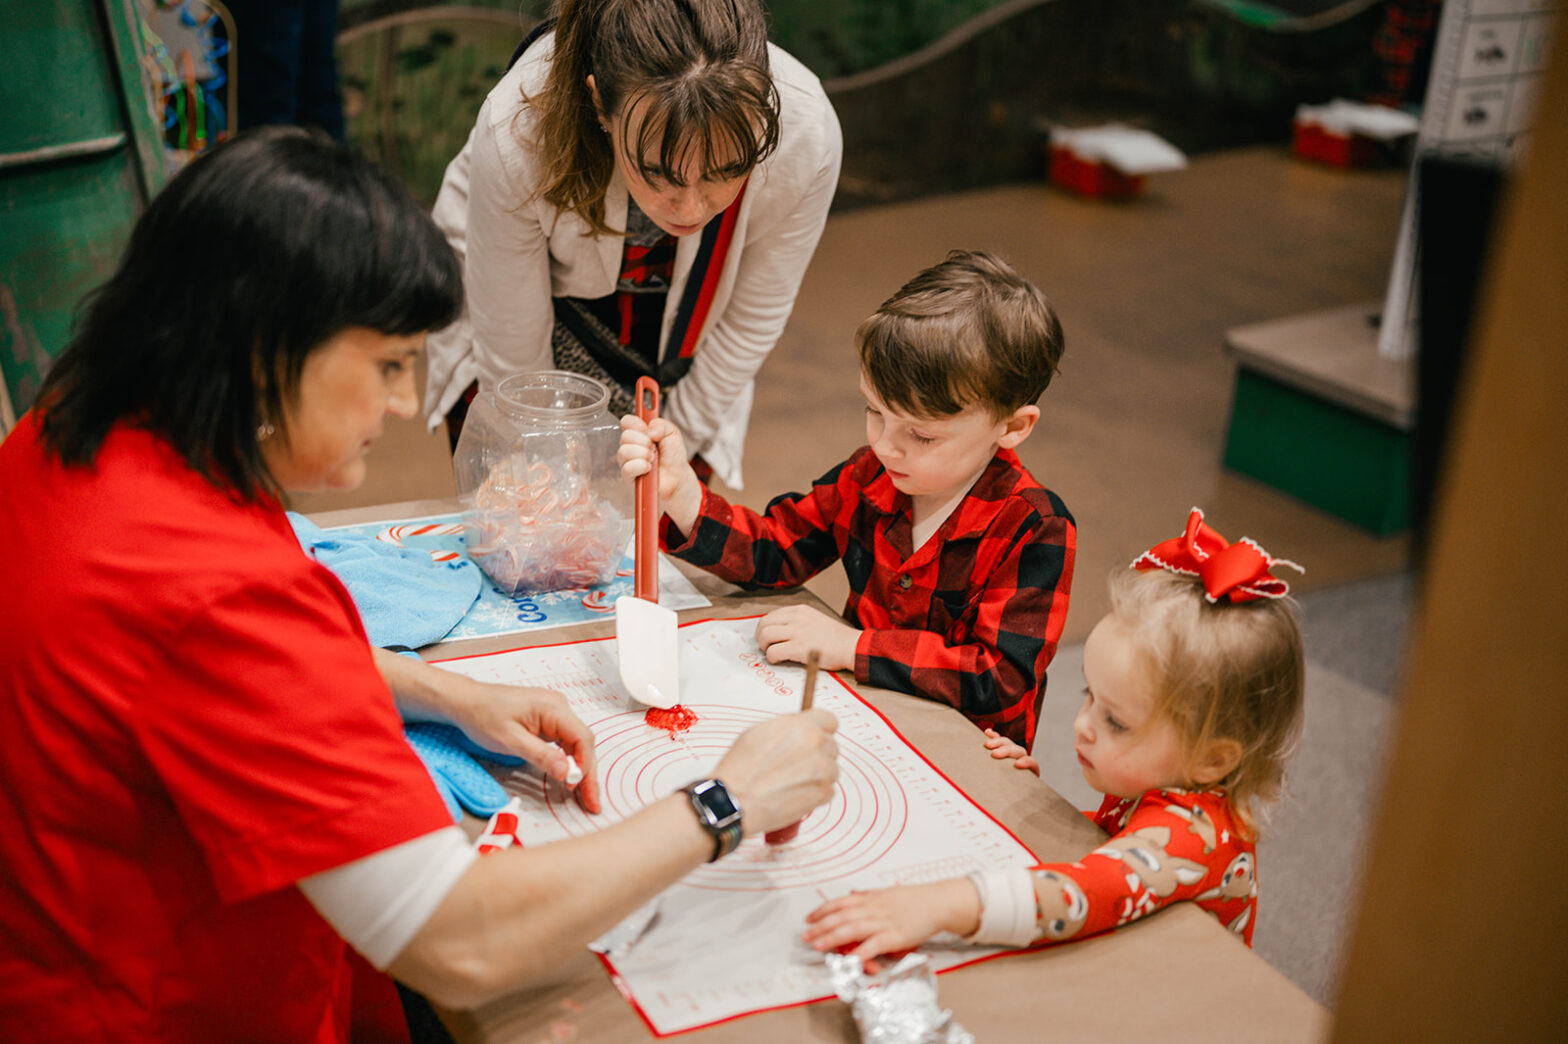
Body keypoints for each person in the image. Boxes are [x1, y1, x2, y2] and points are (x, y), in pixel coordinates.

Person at [0, 127, 839, 1041]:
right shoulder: (217, 592)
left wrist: (441, 691)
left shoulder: (68, 431)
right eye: (390, 366)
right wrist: (724, 805)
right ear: (263, 349)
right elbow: (457, 938)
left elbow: (183, 675)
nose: (405, 406)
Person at [799, 509, 1305, 964]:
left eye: (1117, 722)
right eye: (1089, 695)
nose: (1082, 723)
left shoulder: (1193, 836)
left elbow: (1082, 893)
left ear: (1214, 760)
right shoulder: (1174, 781)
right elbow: (1116, 845)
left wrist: (938, 905)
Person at [618, 250, 1075, 750]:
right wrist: (683, 493)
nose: (884, 444)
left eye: (921, 435)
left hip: (963, 754)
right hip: (868, 723)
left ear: (1012, 427)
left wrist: (855, 646)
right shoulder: (872, 474)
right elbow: (776, 549)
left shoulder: (1036, 528)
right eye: (874, 411)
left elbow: (999, 683)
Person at [424, 0, 842, 488]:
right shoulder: (517, 126)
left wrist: (668, 445)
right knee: (532, 521)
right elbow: (514, 354)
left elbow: (752, 318)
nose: (688, 209)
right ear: (599, 104)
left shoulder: (807, 132)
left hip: (684, 338)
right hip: (528, 320)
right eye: (658, 173)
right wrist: (550, 474)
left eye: (725, 171)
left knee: (660, 531)